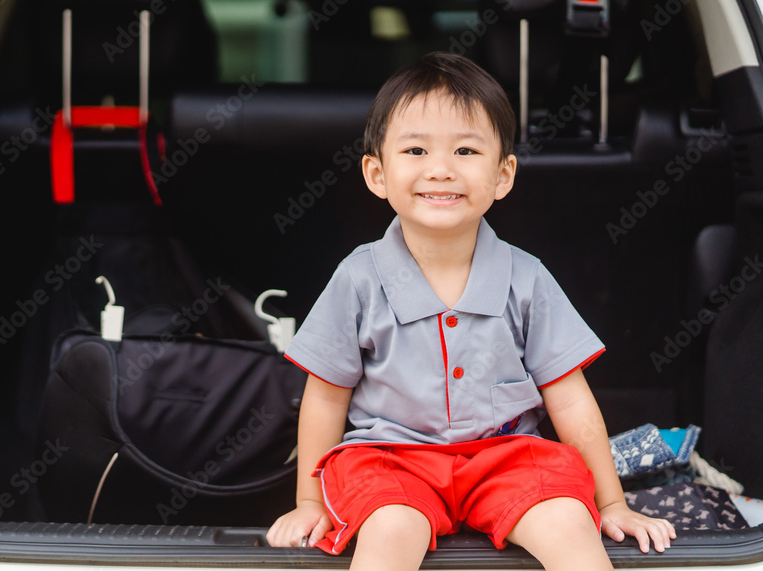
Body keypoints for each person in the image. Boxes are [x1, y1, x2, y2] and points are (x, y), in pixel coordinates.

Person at [265, 52, 676, 571]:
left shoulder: (525, 277)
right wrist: (308, 504)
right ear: (376, 173)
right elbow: (325, 397)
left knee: (571, 522)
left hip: (506, 459)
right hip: (390, 461)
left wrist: (613, 504)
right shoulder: (358, 278)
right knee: (391, 529)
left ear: (503, 175)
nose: (441, 170)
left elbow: (569, 400)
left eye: (465, 150)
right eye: (415, 150)